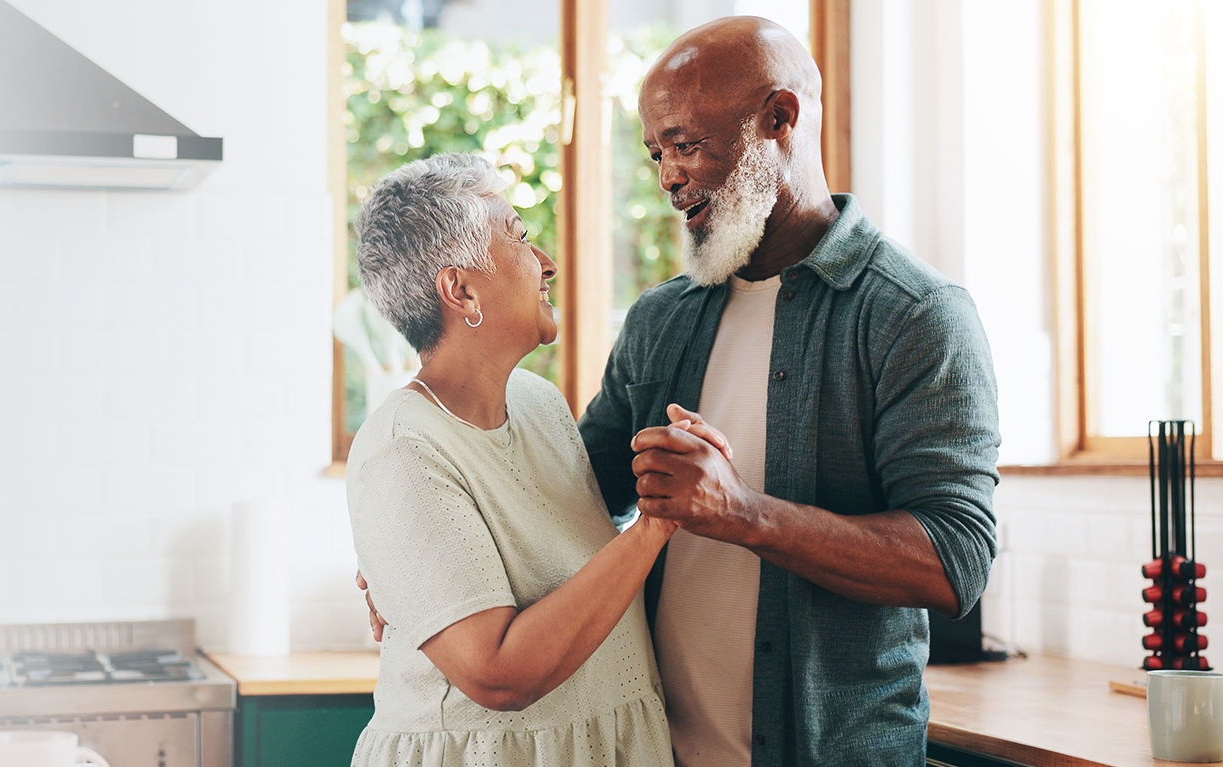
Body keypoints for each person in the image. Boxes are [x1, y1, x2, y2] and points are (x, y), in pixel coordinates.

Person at [361, 16, 998, 767]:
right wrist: (415, 562)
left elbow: (957, 558)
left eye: (686, 145)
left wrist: (743, 512)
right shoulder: (662, 319)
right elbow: (573, 494)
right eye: (656, 153)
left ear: (779, 121)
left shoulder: (915, 316)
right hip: (660, 751)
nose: (667, 176)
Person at [345, 152, 731, 766]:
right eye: (520, 238)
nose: (546, 262)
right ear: (461, 289)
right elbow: (499, 674)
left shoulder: (540, 404)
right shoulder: (402, 449)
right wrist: (660, 518)